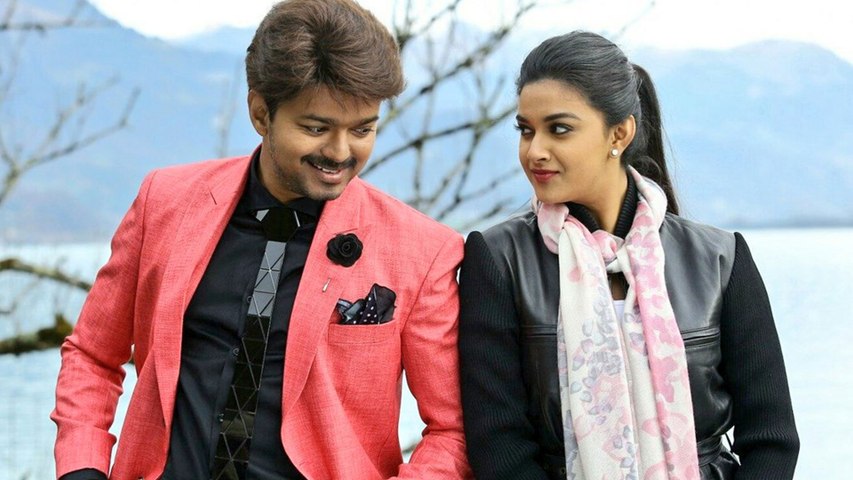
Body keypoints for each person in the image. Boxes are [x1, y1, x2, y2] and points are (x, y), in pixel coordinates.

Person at [51, 1, 472, 479]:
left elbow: (454, 431)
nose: (340, 152)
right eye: (316, 128)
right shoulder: (163, 203)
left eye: (363, 129)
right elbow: (91, 356)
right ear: (259, 113)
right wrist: (82, 468)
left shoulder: (424, 251)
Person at [458, 31, 799, 480]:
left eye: (559, 129)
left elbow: (772, 438)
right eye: (526, 130)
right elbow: (499, 446)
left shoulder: (720, 259)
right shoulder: (498, 260)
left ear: (619, 133)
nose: (535, 150)